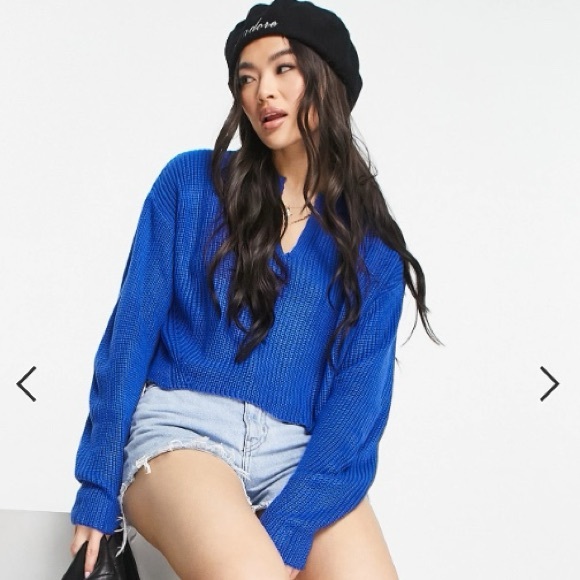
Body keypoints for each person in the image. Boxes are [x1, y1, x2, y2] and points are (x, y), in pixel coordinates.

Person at [69, 0, 440, 578]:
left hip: (298, 457)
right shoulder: (190, 184)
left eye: (283, 68)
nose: (263, 90)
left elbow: (357, 405)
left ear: (328, 79)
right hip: (182, 433)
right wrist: (96, 486)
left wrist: (291, 527)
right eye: (246, 78)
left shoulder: (370, 247)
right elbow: (129, 336)